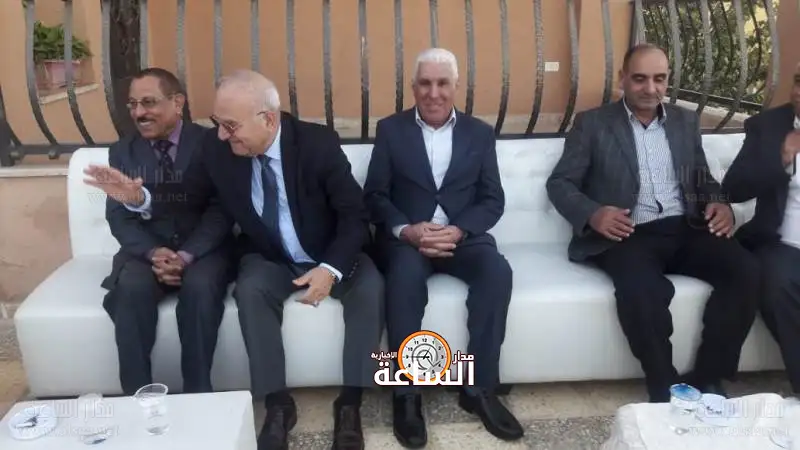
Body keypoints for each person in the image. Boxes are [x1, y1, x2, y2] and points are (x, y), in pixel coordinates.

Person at [546, 43, 760, 403]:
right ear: (622, 79)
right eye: (640, 79)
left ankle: (708, 376)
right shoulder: (592, 124)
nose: (650, 88)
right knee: (641, 289)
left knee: (746, 270)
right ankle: (663, 384)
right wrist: (594, 213)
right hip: (627, 233)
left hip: (685, 227)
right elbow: (560, 182)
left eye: (659, 79)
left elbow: (701, 176)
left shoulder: (684, 121)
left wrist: (718, 202)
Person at [200, 70, 382, 450]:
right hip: (270, 255)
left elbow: (354, 215)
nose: (221, 135)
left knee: (370, 287)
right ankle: (278, 404)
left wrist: (330, 269)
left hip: (328, 250)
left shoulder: (317, 144)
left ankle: (350, 403)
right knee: (250, 289)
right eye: (218, 122)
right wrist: (139, 201)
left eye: (230, 125)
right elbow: (212, 209)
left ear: (268, 120)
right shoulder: (219, 151)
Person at [363, 48, 523, 447]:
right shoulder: (390, 130)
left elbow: (492, 199)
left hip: (461, 237)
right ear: (413, 86)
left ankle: (479, 388)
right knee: (403, 278)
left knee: (497, 272)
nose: (433, 93)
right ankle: (406, 393)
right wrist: (406, 230)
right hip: (407, 241)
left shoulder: (479, 133)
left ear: (456, 86)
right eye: (425, 83)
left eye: (442, 83)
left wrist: (458, 230)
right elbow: (375, 196)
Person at [83, 68, 233, 395]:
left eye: (149, 102)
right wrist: (153, 252)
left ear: (178, 103)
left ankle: (198, 393)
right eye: (133, 104)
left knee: (200, 287)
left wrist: (186, 254)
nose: (139, 113)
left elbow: (222, 209)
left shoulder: (212, 143)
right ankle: (138, 396)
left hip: (202, 250)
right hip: (145, 251)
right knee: (131, 288)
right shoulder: (122, 151)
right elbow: (119, 217)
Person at [721, 62, 800, 396]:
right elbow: (733, 188)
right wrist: (781, 158)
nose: (799, 92)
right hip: (781, 242)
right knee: (777, 284)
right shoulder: (768, 127)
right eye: (799, 81)